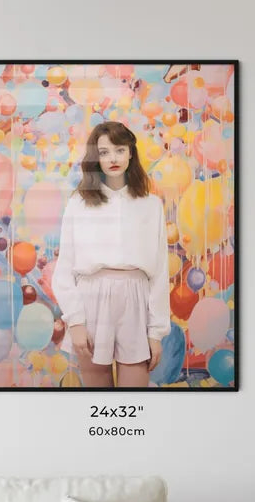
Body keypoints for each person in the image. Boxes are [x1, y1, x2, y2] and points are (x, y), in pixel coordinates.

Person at [51, 121, 170, 388]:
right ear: (95, 158)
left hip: (136, 297)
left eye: (119, 150)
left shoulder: (151, 205)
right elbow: (65, 267)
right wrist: (76, 321)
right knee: (96, 393)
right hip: (91, 296)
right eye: (103, 152)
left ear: (131, 152)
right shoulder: (79, 203)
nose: (112, 158)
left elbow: (160, 271)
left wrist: (156, 332)